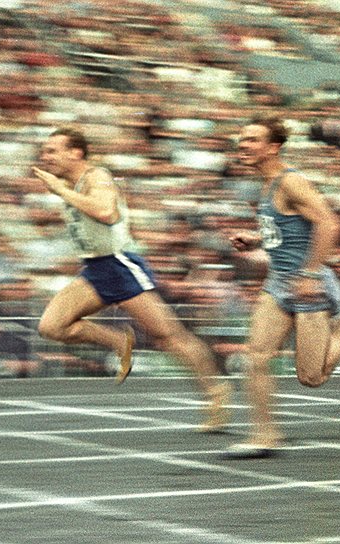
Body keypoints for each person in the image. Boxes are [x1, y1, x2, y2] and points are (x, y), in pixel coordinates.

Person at [33, 127, 231, 432]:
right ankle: (117, 341)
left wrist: (60, 190)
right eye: (44, 151)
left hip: (120, 265)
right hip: (95, 269)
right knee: (51, 326)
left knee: (169, 336)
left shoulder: (97, 176)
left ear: (76, 152)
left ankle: (216, 392)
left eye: (52, 151)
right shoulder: (71, 184)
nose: (45, 157)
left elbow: (105, 212)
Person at [224, 115, 340, 459]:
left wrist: (311, 274)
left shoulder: (291, 182)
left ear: (273, 147)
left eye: (253, 139)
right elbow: (290, 231)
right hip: (279, 282)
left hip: (309, 285)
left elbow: (330, 223)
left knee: (312, 377)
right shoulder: (266, 183)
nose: (243, 145)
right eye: (242, 139)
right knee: (256, 356)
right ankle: (265, 435)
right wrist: (256, 238)